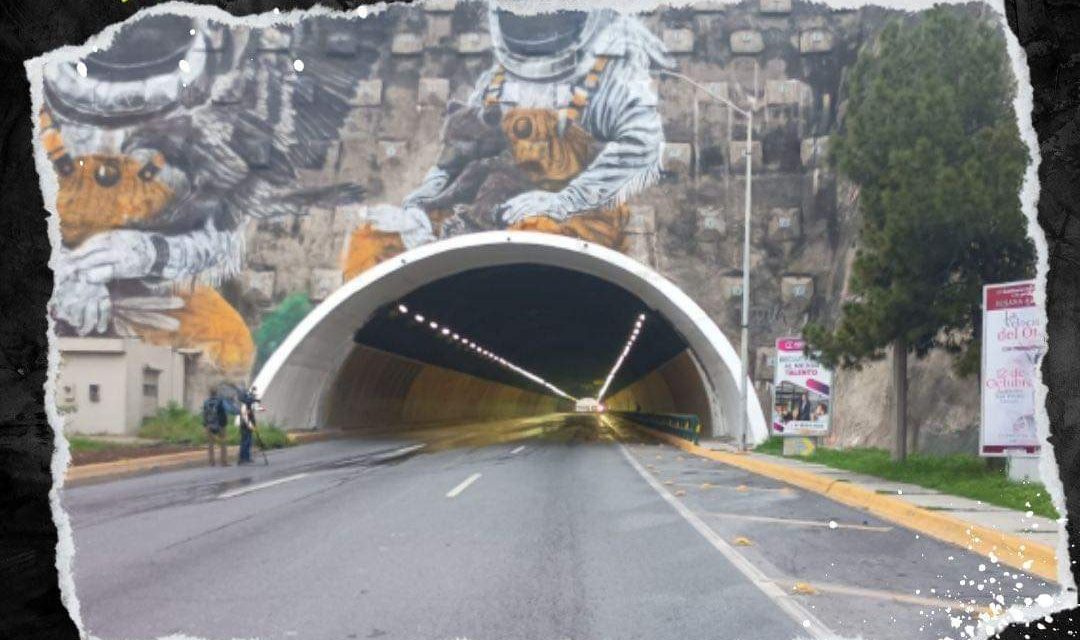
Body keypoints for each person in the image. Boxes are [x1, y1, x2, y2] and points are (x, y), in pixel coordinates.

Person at [201, 388, 229, 466]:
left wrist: (205, 424)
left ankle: (211, 462)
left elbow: (204, 414)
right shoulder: (221, 401)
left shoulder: (206, 402)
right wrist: (225, 423)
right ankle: (224, 462)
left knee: (210, 444)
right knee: (223, 443)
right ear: (217, 393)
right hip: (220, 425)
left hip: (209, 424)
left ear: (210, 393)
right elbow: (225, 412)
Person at [237, 385, 260, 465]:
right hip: (246, 424)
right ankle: (243, 459)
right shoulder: (244, 403)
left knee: (248, 441)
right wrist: (254, 399)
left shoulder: (245, 402)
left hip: (246, 423)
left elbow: (249, 400)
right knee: (245, 441)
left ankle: (246, 458)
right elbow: (248, 401)